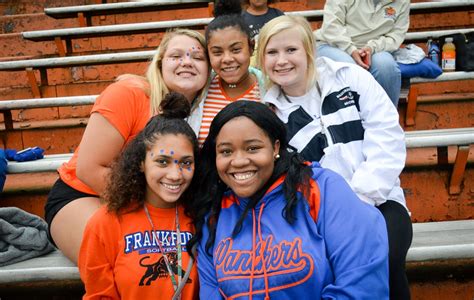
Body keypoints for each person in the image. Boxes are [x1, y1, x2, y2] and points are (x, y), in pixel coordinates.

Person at [258, 15, 412, 299]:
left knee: (385, 260)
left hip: (381, 202)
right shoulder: (270, 114)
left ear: (308, 51)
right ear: (262, 59)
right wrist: (336, 215)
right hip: (321, 219)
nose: (282, 60)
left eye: (291, 50)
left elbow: (386, 137)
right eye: (272, 52)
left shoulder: (350, 77)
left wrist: (358, 202)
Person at [189, 100, 389, 299]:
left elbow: (363, 285)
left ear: (275, 148)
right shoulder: (214, 215)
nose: (239, 161)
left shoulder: (321, 189)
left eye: (252, 148)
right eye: (226, 151)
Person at [45, 28, 209, 264]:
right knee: (135, 261)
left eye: (197, 57)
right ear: (160, 64)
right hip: (83, 195)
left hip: (154, 203)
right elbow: (89, 169)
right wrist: (146, 214)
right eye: (176, 56)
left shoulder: (204, 111)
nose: (187, 62)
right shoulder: (129, 93)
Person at [79, 92, 199, 300]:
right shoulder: (105, 224)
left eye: (186, 162)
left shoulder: (203, 217)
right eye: (162, 161)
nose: (175, 175)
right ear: (141, 163)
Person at [188, 0, 265, 144]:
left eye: (236, 50)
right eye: (217, 52)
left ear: (251, 47)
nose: (227, 59)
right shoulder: (199, 89)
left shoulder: (270, 89)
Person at [314, 0, 410, 107]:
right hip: (333, 44)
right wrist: (351, 49)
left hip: (374, 49)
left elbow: (396, 35)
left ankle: (387, 120)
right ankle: (353, 120)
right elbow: (331, 26)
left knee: (386, 67)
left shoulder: (402, 2)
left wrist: (370, 48)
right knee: (349, 68)